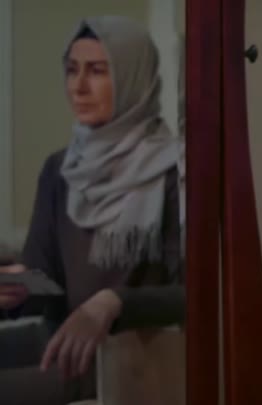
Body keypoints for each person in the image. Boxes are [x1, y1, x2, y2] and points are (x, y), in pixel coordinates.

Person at [0, 16, 185, 405]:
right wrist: (16, 288)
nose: (78, 87)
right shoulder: (60, 169)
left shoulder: (174, 171)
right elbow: (46, 285)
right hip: (58, 340)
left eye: (98, 71)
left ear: (133, 77)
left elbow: (193, 296)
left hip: (124, 355)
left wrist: (112, 301)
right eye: (72, 70)